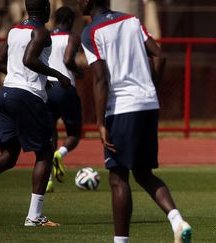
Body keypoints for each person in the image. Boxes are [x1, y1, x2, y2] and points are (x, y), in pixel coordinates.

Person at [78, 0, 192, 242]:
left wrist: (99, 123)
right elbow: (159, 57)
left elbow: (99, 80)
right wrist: (151, 89)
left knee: (118, 177)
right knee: (143, 172)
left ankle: (121, 241)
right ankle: (177, 221)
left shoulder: (90, 32)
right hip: (148, 104)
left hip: (121, 109)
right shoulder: (131, 20)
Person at [0, 0, 72, 227]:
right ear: (46, 10)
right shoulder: (41, 32)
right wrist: (58, 76)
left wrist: (27, 78)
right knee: (45, 154)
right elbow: (29, 59)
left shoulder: (14, 30)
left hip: (6, 94)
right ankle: (34, 217)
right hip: (28, 98)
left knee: (9, 156)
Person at [45, 6, 84, 193]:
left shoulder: (45, 37)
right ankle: (59, 154)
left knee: (49, 136)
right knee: (74, 135)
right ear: (69, 21)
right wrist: (79, 72)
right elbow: (68, 60)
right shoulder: (72, 37)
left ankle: (47, 181)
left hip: (46, 88)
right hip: (65, 87)